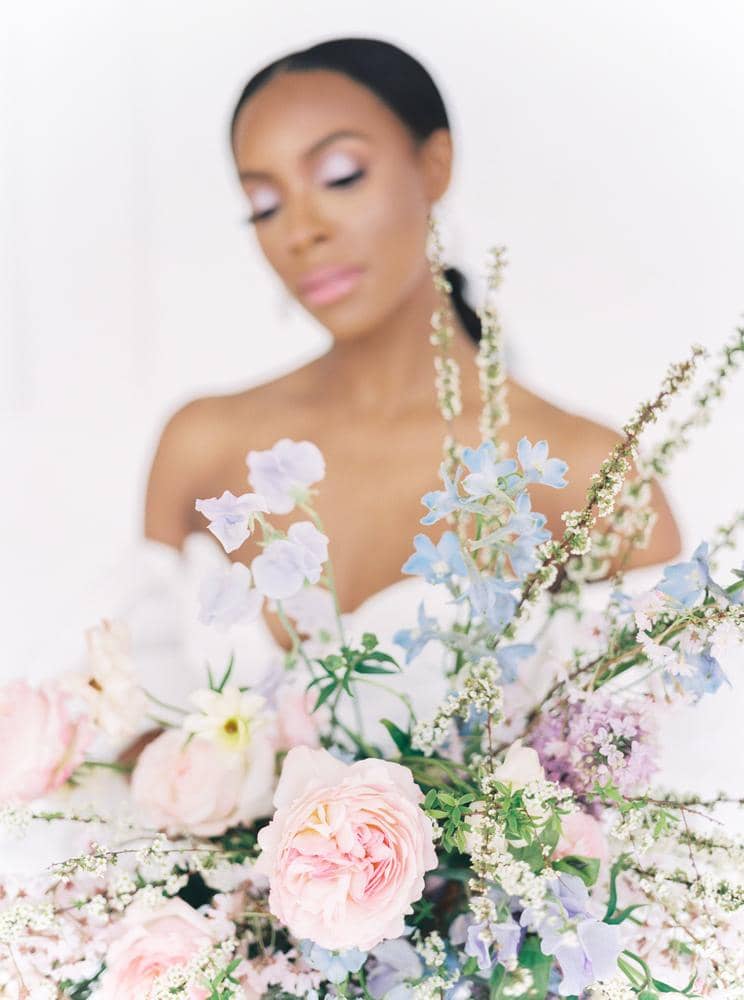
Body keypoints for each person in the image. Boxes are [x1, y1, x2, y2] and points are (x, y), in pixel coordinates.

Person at [144, 37, 680, 656]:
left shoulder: (588, 474)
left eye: (340, 176)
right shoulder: (201, 449)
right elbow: (131, 719)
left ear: (434, 166)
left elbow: (646, 739)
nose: (300, 230)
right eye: (264, 205)